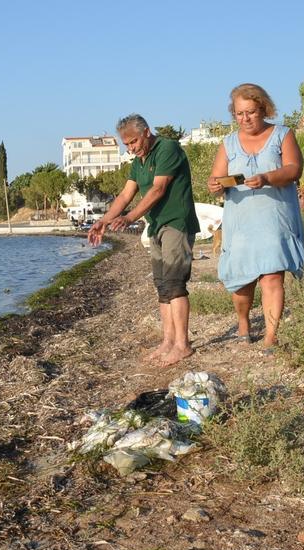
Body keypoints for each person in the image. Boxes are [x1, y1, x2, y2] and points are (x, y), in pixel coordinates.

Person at [88, 114, 200, 366]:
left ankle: (183, 345)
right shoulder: (138, 161)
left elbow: (159, 189)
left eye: (133, 142)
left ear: (147, 132)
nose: (130, 148)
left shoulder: (167, 148)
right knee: (162, 287)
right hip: (156, 226)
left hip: (176, 223)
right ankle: (167, 342)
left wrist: (130, 218)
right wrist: (104, 221)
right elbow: (126, 194)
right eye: (126, 144)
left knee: (175, 283)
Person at [207, 83, 304, 351]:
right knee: (242, 280)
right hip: (240, 221)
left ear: (263, 109)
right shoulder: (228, 143)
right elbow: (214, 178)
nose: (245, 118)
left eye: (250, 112)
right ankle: (243, 323)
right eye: (239, 114)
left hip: (274, 217)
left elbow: (294, 169)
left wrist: (266, 178)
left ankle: (271, 335)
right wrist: (216, 184)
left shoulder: (282, 135)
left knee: (272, 276)